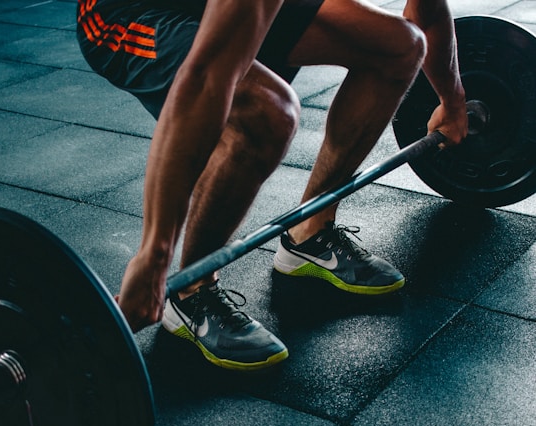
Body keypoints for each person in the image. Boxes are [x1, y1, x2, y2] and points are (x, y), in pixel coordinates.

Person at [77, 0, 468, 370]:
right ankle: (191, 292)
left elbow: (428, 13)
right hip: (128, 12)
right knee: (268, 112)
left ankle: (309, 233)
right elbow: (208, 77)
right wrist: (154, 256)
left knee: (399, 46)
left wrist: (452, 102)